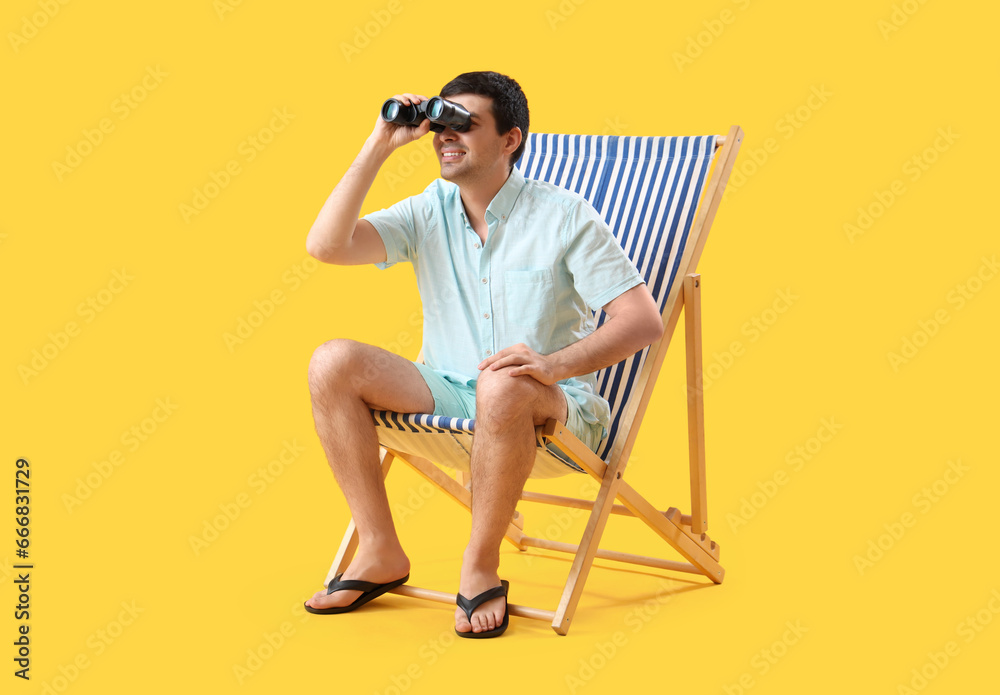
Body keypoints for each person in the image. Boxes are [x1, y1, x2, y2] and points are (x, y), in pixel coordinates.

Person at [303, 71, 663, 638]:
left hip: (551, 410)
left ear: (510, 139)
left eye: (463, 125)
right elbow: (325, 246)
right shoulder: (430, 209)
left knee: (502, 383)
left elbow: (643, 321)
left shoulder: (565, 215)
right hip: (450, 392)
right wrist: (382, 142)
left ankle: (480, 564)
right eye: (441, 125)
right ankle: (378, 549)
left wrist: (553, 365)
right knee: (331, 361)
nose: (446, 137)